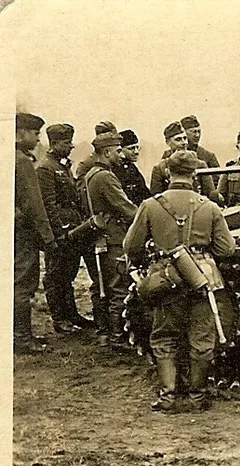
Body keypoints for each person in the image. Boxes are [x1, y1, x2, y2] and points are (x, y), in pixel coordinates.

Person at [123, 150, 237, 412]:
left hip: (166, 279)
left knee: (164, 337)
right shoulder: (209, 207)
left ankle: (168, 397)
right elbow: (226, 249)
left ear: (167, 172)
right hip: (201, 280)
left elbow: (131, 245)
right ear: (195, 174)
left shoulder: (151, 205)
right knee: (202, 338)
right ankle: (197, 398)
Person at [35, 123, 99, 334]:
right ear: (53, 144)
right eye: (65, 143)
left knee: (68, 274)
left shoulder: (63, 166)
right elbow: (48, 205)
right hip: (61, 232)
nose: (70, 146)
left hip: (72, 229)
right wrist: (56, 233)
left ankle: (72, 315)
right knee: (56, 276)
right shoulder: (45, 168)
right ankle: (59, 319)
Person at [86, 131, 139, 349]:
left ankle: (104, 334)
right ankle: (118, 337)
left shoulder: (91, 174)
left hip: (101, 237)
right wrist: (146, 217)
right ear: (107, 152)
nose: (121, 154)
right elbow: (124, 206)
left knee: (101, 286)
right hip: (114, 238)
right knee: (120, 286)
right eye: (118, 151)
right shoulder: (106, 177)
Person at [14, 112, 58, 353]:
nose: (38, 139)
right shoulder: (21, 161)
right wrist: (48, 238)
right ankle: (21, 339)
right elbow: (35, 205)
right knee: (23, 284)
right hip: (23, 234)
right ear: (20, 133)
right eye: (35, 133)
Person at [150, 121, 218, 199]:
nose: (184, 143)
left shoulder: (200, 165)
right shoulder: (160, 169)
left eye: (185, 138)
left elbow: (211, 195)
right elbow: (156, 198)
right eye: (178, 139)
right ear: (168, 142)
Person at [114, 129, 151, 205]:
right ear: (120, 150)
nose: (136, 152)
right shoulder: (117, 169)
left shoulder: (132, 168)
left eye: (137, 148)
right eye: (131, 148)